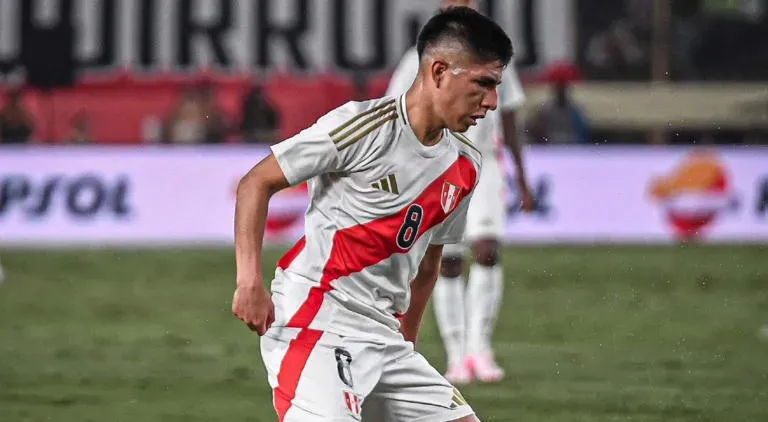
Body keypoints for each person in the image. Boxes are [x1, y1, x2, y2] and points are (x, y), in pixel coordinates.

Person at [231, 7, 513, 421]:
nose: (492, 102)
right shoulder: (362, 127)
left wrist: (408, 345)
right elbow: (256, 182)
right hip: (317, 323)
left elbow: (429, 263)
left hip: (384, 336)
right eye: (483, 85)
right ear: (438, 72)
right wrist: (249, 282)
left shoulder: (465, 163)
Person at [385, 0, 534, 385]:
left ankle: (479, 349)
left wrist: (522, 175)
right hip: (439, 164)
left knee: (487, 250)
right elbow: (396, 110)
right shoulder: (421, 57)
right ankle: (456, 356)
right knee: (447, 261)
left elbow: (511, 116)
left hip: (483, 163)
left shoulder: (496, 52)